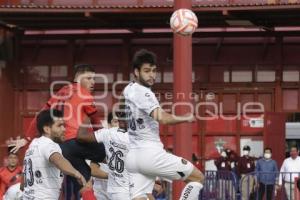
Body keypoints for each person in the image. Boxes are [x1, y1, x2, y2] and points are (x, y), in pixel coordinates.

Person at [9, 64, 106, 199]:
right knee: (112, 154)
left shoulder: (59, 93)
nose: (93, 82)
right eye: (89, 78)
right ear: (79, 78)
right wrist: (106, 138)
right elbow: (95, 121)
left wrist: (27, 137)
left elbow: (40, 115)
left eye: (94, 79)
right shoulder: (84, 93)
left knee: (86, 185)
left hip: (63, 147)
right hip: (78, 140)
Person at [122, 49, 205, 200]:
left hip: (133, 157)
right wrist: (186, 117)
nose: (152, 75)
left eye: (154, 71)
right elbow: (163, 118)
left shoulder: (128, 89)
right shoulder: (145, 93)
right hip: (151, 155)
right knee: (197, 178)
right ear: (136, 72)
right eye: (147, 71)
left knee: (141, 197)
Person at [22, 109, 86, 199]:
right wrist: (77, 174)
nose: (64, 129)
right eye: (59, 126)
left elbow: (22, 184)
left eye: (64, 125)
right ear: (47, 129)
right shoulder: (48, 144)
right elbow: (58, 159)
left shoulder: (32, 146)